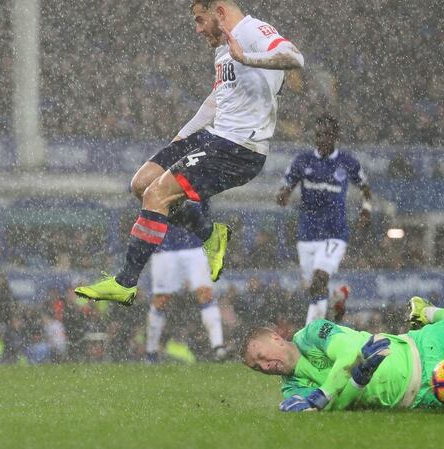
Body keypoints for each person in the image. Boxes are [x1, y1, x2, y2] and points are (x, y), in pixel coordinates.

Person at [74, 0, 304, 306]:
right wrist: (182, 137)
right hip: (214, 137)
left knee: (158, 195)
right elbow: (217, 98)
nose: (197, 29)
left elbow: (295, 57)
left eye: (200, 20)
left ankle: (125, 283)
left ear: (219, 12)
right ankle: (210, 233)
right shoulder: (224, 46)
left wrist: (247, 57)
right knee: (142, 185)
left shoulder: (252, 31)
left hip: (239, 149)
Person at [241, 296, 444, 412]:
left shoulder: (312, 334)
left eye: (261, 355)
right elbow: (340, 409)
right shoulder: (293, 389)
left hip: (424, 345)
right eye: (258, 367)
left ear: (274, 337)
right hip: (427, 395)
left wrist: (322, 394)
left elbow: (350, 353)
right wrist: (358, 383)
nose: (265, 365)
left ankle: (430, 312)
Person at [275, 114, 371, 325]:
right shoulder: (302, 161)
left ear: (335, 135)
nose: (322, 139)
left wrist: (366, 208)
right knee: (313, 289)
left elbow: (365, 187)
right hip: (307, 233)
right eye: (318, 135)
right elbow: (287, 185)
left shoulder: (347, 162)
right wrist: (283, 194)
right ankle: (337, 295)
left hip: (334, 232)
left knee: (319, 279)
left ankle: (311, 338)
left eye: (327, 134)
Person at [145, 215, 227, 362]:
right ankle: (151, 352)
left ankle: (218, 347)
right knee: (161, 299)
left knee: (205, 293)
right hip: (165, 247)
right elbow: (138, 192)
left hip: (194, 245)